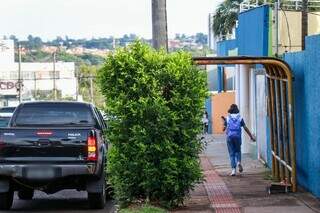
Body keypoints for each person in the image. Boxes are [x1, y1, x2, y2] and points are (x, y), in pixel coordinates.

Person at [222, 104, 255, 176]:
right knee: (238, 151)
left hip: (230, 137)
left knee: (231, 154)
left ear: (230, 110)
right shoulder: (240, 118)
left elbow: (223, 129)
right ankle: (239, 162)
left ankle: (233, 170)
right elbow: (245, 128)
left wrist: (224, 123)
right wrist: (251, 136)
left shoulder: (228, 118)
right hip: (237, 137)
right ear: (237, 110)